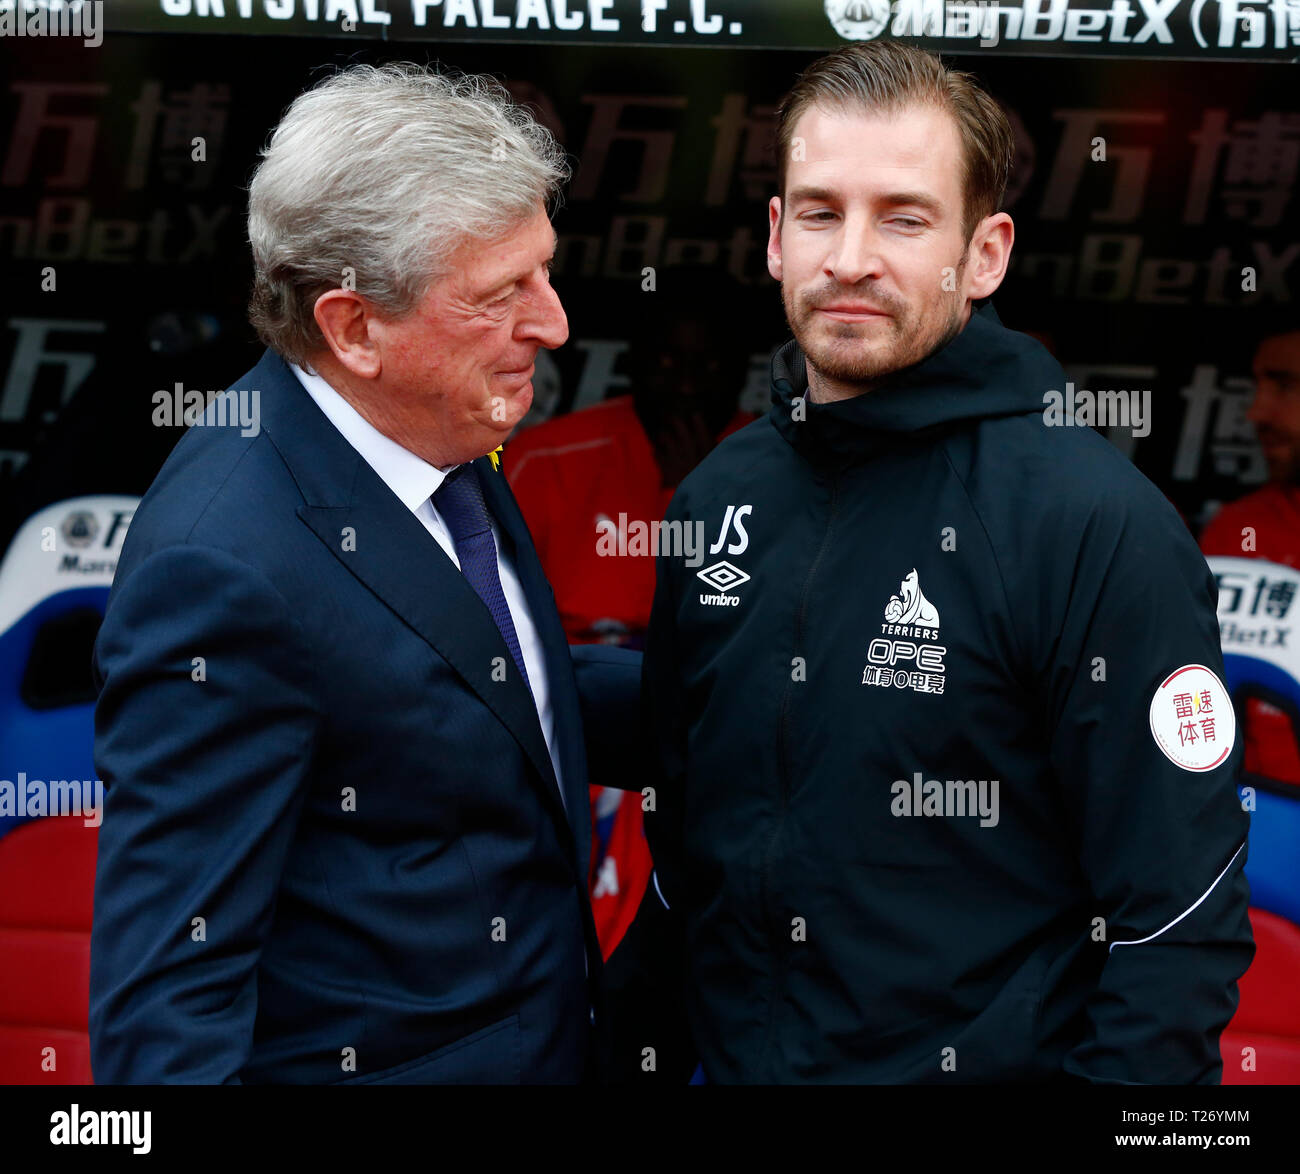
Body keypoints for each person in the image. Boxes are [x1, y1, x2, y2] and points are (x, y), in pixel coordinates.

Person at [608, 41, 1253, 1084]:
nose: (851, 256)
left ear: (984, 255)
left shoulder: (1093, 523)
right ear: (775, 237)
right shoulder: (722, 497)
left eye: (903, 218)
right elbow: (688, 858)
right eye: (819, 211)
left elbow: (1175, 917)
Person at [89, 63, 638, 1084]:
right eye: (501, 294)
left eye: (544, 271)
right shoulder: (223, 568)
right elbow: (168, 1002)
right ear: (354, 327)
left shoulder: (435, 424)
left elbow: (480, 685)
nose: (553, 323)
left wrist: (755, 693)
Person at [503, 269, 755, 957]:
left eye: (707, 363)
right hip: (568, 716)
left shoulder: (770, 467)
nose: (685, 381)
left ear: (741, 371)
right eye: (668, 360)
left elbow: (759, 632)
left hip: (713, 729)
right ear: (634, 364)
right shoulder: (547, 455)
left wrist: (707, 491)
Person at [1200, 326, 1300, 784]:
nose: (1257, 412)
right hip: (1241, 833)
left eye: (1285, 385)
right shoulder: (1238, 531)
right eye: (1257, 387)